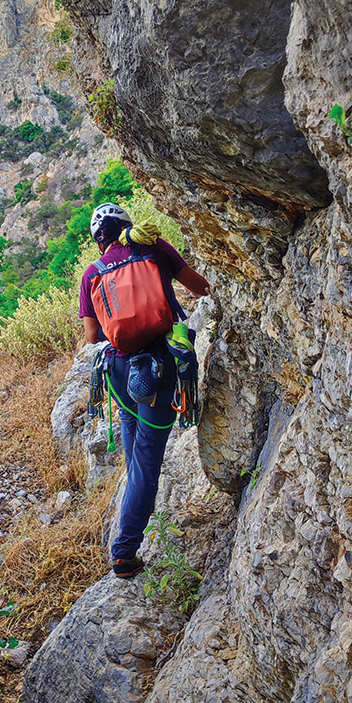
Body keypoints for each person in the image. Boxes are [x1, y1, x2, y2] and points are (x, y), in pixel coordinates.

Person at [80, 203, 210, 578]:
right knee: (147, 461)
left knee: (137, 455)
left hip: (119, 370)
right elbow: (200, 287)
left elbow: (92, 336)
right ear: (127, 226)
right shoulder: (153, 248)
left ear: (98, 241)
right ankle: (124, 552)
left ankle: (137, 511)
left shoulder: (93, 272)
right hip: (161, 368)